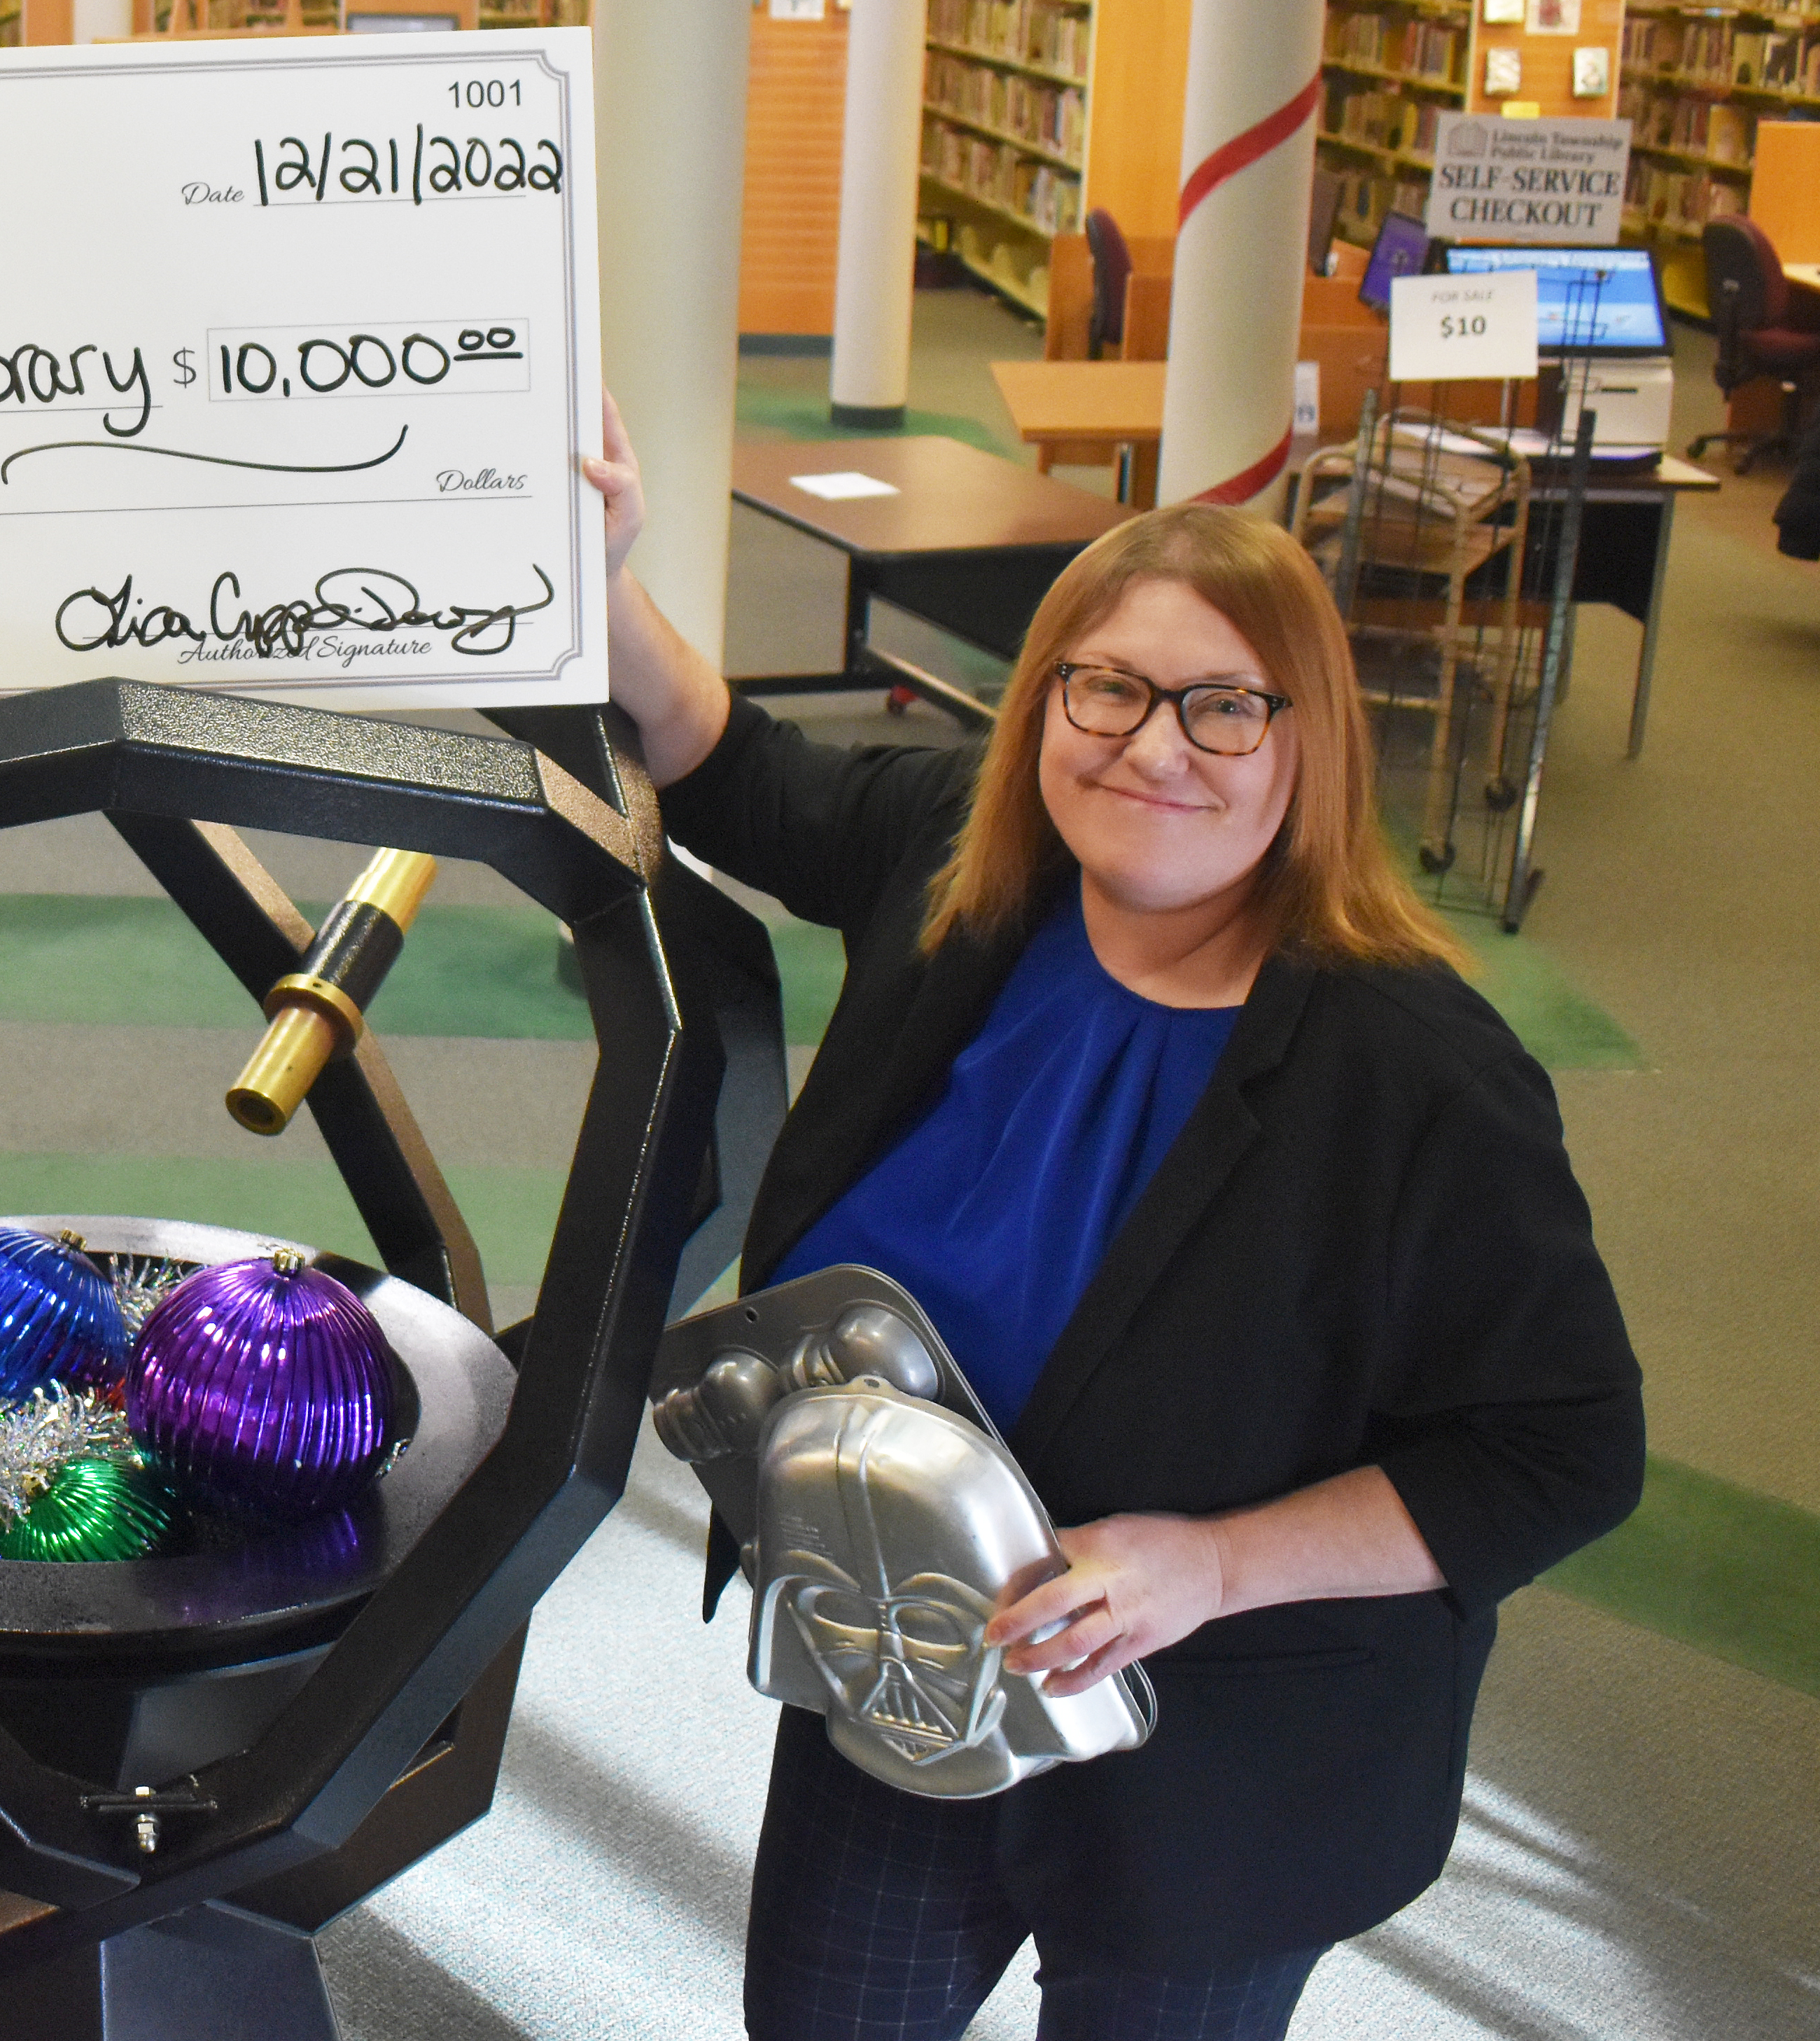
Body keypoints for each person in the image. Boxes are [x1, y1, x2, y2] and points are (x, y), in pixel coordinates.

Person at [581, 403, 1642, 2040]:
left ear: (1309, 743)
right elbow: (732, 759)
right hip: (908, 1657)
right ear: (1044, 706)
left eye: (1225, 705)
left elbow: (1563, 1449)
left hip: (1217, 1757)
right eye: (1111, 687)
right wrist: (604, 574)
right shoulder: (967, 868)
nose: (1154, 746)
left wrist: (1209, 1563)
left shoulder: (1419, 1072)